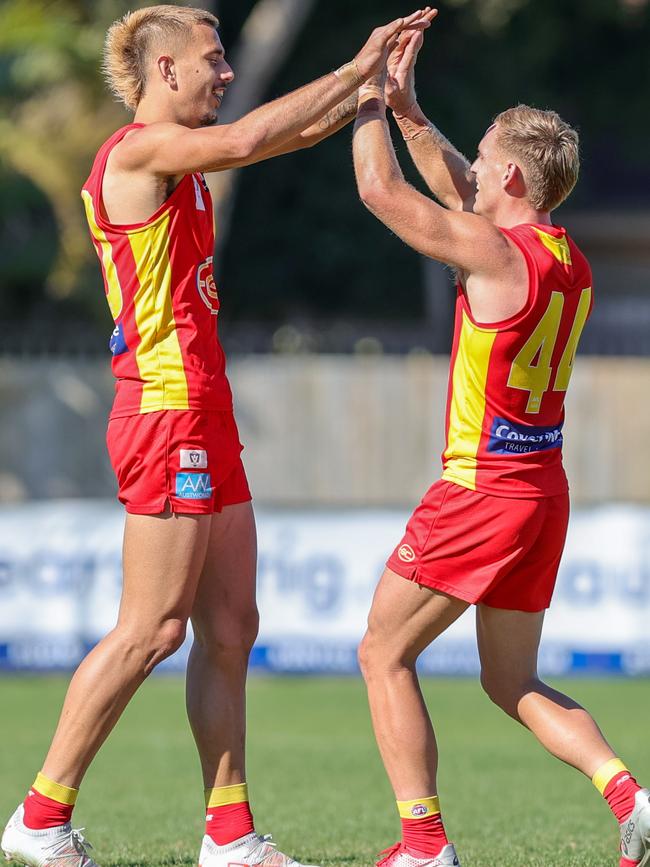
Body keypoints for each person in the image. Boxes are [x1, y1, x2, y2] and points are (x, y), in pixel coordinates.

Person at [0, 6, 433, 867]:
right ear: (164, 72)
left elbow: (281, 134)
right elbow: (244, 143)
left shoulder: (185, 156)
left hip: (207, 411)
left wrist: (375, 92)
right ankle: (39, 817)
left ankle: (228, 835)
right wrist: (355, 65)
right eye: (213, 57)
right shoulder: (137, 153)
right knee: (151, 629)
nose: (227, 70)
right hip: (163, 413)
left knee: (232, 624)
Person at [352, 12, 650, 867]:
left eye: (485, 159)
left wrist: (364, 94)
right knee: (509, 681)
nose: (474, 169)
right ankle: (629, 794)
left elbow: (384, 195)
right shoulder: (566, 258)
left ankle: (423, 846)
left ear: (512, 174)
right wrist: (411, 114)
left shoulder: (492, 254)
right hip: (541, 493)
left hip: (479, 490)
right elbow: (461, 198)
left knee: (382, 652)